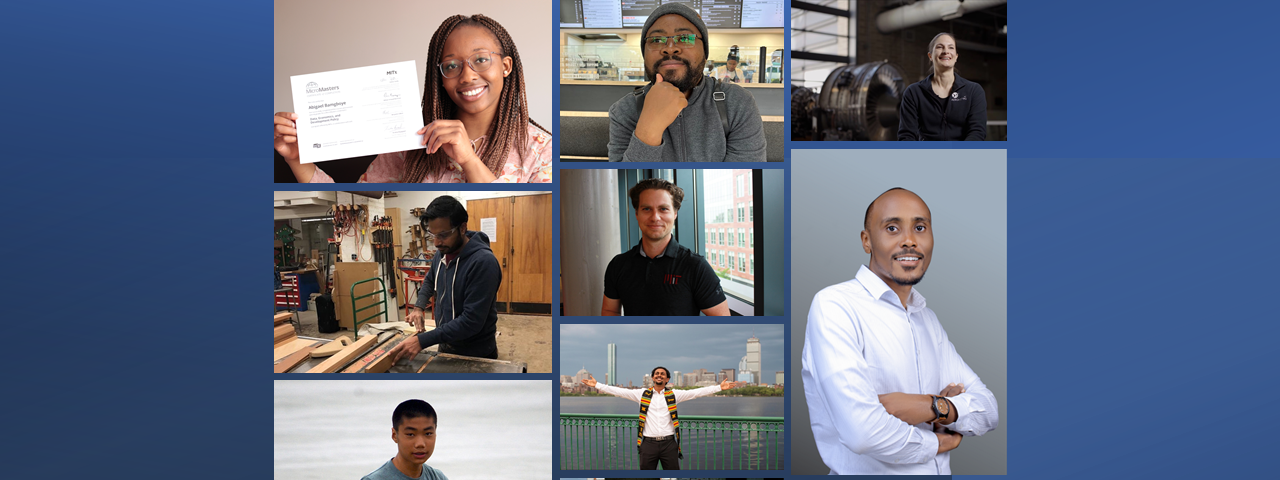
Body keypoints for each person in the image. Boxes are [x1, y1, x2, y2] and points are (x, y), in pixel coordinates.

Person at [801, 188, 999, 475]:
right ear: (866, 241)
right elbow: (863, 432)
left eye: (920, 228)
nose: (909, 240)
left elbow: (989, 410)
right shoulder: (835, 306)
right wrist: (939, 441)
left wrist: (934, 406)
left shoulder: (927, 320)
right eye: (892, 228)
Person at [274, 14, 552, 182]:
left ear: (505, 66)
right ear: (440, 78)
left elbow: (502, 211)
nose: (467, 76)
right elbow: (349, 200)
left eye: (480, 59)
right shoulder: (410, 140)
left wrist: (468, 159)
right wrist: (297, 158)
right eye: (452, 65)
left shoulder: (541, 150)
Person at [606, 3, 765, 162]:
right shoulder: (624, 111)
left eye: (684, 38)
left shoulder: (738, 103)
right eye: (656, 40)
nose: (670, 48)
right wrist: (649, 129)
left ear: (705, 52)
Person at [388, 196, 502, 362]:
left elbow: (471, 321)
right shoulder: (443, 253)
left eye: (443, 235)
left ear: (462, 228)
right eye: (432, 235)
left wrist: (422, 341)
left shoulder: (483, 262)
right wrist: (418, 307)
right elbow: (429, 279)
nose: (436, 243)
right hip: (446, 343)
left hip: (475, 353)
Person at [602, 179, 729, 316]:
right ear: (637, 214)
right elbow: (610, 311)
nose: (655, 217)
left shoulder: (695, 266)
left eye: (663, 209)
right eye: (646, 209)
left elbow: (723, 321)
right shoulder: (618, 264)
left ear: (675, 214)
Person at [583, 367, 743, 470]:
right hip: (647, 444)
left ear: (667, 379)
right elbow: (618, 391)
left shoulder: (674, 394)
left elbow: (696, 392)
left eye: (663, 374)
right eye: (657, 374)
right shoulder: (641, 394)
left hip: (669, 444)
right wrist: (597, 385)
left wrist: (719, 387)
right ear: (652, 378)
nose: (659, 376)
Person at [897, 33, 987, 141]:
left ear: (956, 56)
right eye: (940, 47)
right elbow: (906, 135)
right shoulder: (914, 92)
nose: (946, 51)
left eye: (951, 47)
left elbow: (977, 132)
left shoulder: (974, 91)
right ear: (930, 56)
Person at [362, 399, 448, 480]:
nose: (420, 444)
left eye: (428, 434)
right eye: (410, 434)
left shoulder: (437, 477)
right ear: (394, 435)